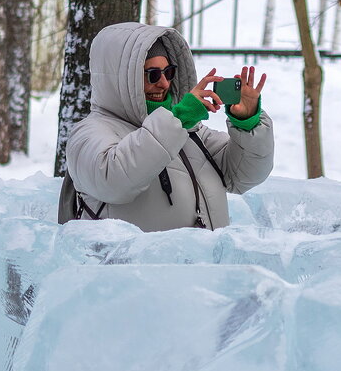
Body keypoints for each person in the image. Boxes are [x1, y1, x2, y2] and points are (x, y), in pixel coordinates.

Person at [64, 22, 274, 231]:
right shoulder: (89, 133)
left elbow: (244, 176)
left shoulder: (192, 132)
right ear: (123, 79)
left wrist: (247, 123)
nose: (164, 83)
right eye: (152, 74)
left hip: (204, 263)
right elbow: (113, 181)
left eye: (169, 72)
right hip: (131, 265)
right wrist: (178, 119)